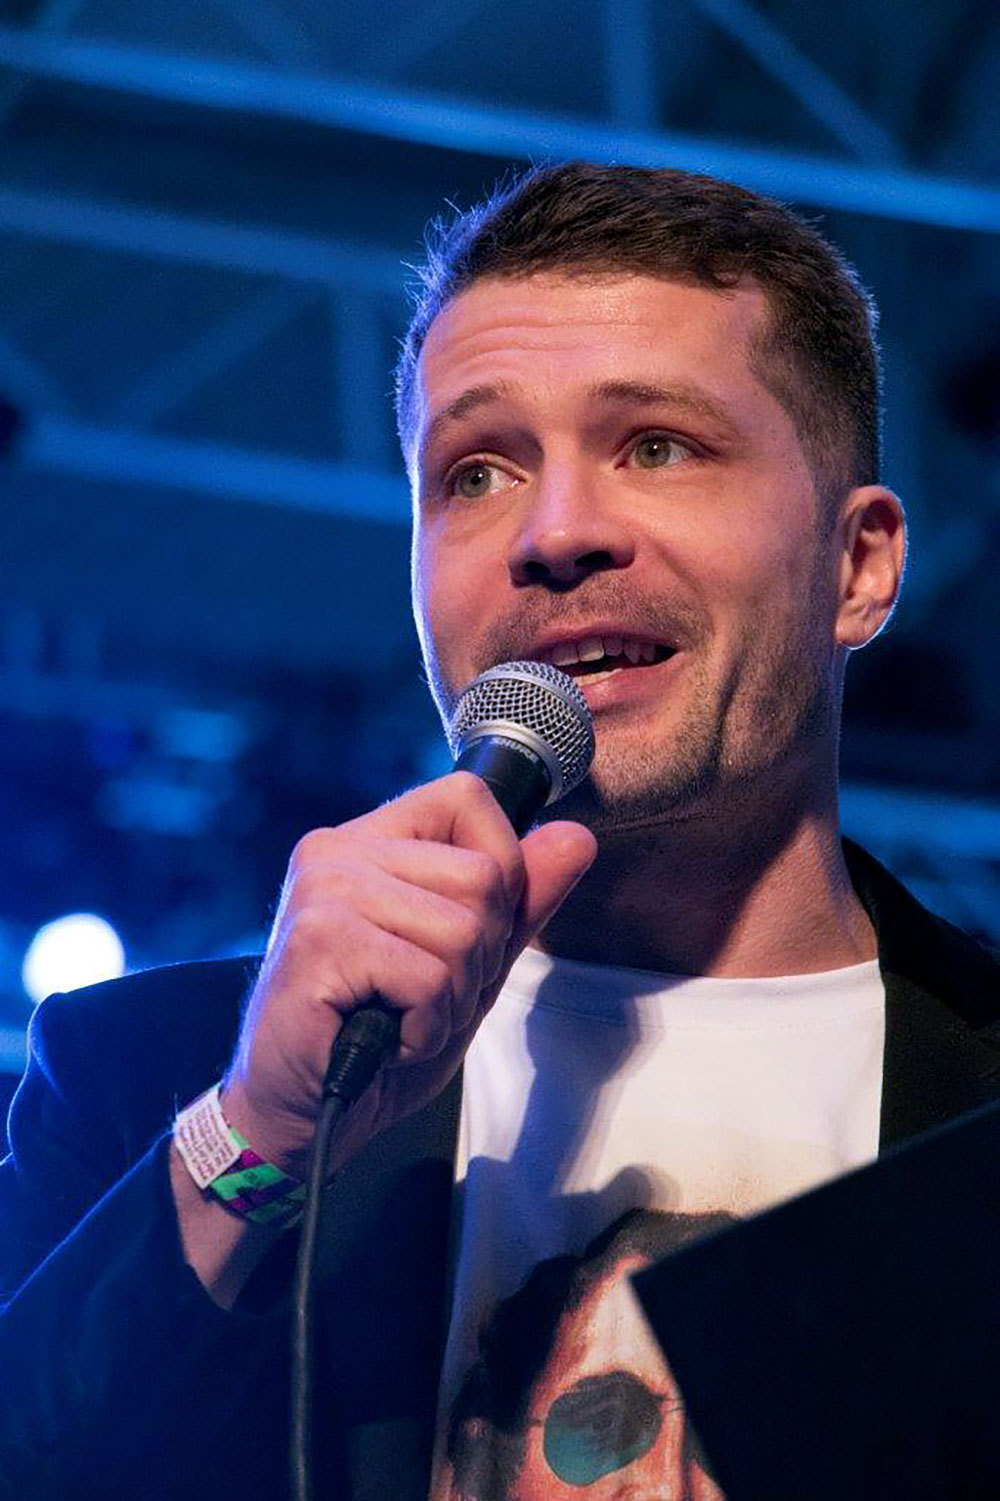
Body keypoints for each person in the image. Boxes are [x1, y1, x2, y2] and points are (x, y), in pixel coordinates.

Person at [1, 162, 998, 1501]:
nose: (555, 532)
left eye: (657, 445)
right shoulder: (156, 1082)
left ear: (858, 565)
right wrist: (263, 1132)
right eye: (475, 472)